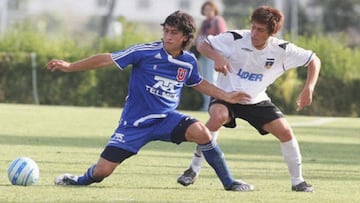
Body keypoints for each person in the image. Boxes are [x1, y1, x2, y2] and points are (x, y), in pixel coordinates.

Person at [46, 11, 254, 192]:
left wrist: (225, 96)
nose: (168, 36)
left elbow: (197, 82)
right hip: (135, 123)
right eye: (166, 31)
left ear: (185, 37)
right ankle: (78, 179)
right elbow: (107, 59)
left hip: (167, 119)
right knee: (102, 171)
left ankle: (229, 182)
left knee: (202, 132)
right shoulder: (145, 52)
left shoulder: (188, 61)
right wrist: (70, 66)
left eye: (174, 33)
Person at [177, 6, 321, 192]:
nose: (254, 33)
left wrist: (308, 88)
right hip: (226, 96)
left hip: (256, 100)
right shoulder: (235, 38)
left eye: (260, 29)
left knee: (285, 131)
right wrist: (217, 56)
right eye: (253, 27)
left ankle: (298, 181)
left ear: (272, 31)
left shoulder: (281, 49)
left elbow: (313, 60)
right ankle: (193, 169)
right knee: (217, 117)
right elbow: (202, 43)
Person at [196, 1, 227, 111]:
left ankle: (214, 106)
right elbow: (198, 38)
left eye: (210, 9)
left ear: (214, 10)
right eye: (206, 9)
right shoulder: (204, 22)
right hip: (203, 55)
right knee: (203, 81)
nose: (207, 12)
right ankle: (206, 106)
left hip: (213, 56)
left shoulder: (218, 21)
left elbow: (223, 37)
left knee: (211, 80)